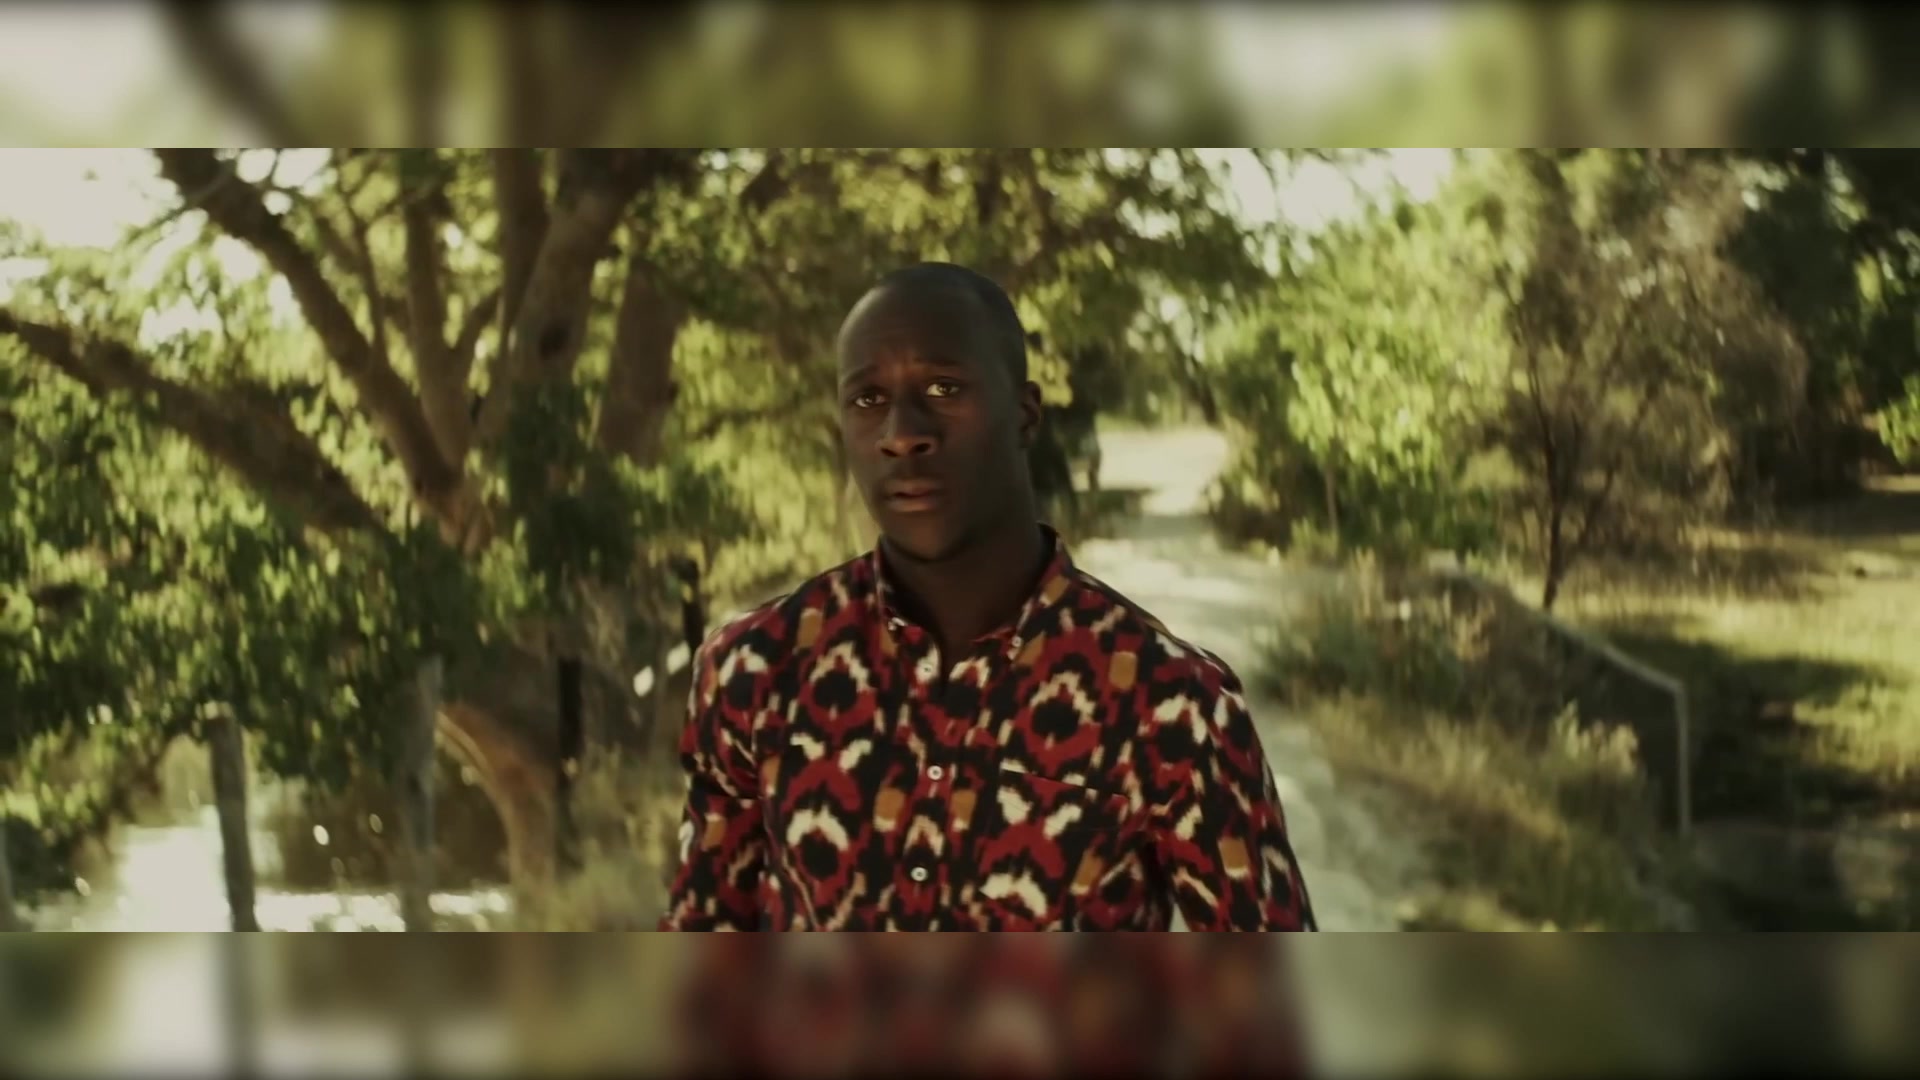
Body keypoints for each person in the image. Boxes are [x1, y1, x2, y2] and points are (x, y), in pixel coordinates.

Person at [660, 262, 1316, 931]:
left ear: (1025, 414)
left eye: (944, 388)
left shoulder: (1172, 704)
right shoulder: (754, 670)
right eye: (868, 399)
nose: (902, 433)